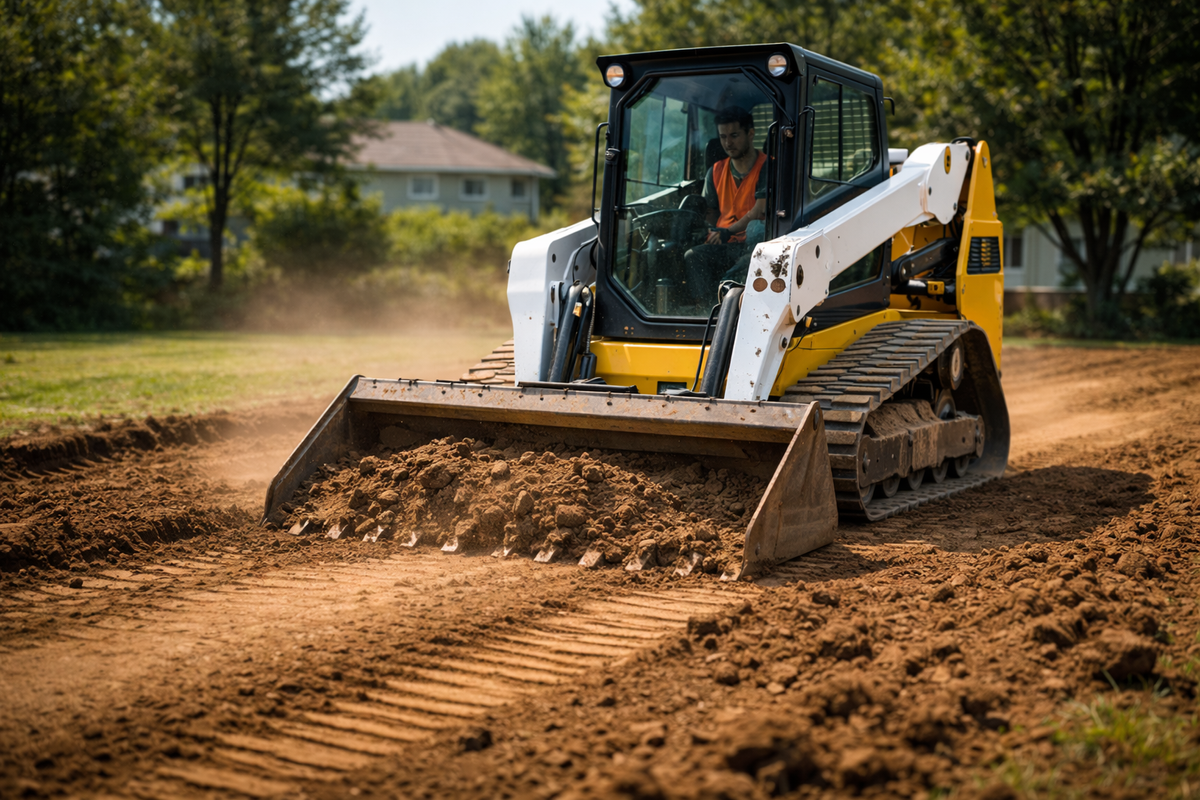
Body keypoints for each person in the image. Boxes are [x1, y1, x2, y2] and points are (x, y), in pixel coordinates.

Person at [684, 106, 769, 294]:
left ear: (751, 134)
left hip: (755, 245)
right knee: (693, 255)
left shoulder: (768, 166)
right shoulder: (715, 171)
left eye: (734, 135)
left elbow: (759, 211)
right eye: (723, 137)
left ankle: (728, 301)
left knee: (751, 261)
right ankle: (707, 312)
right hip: (725, 244)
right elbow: (711, 211)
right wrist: (712, 232)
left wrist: (726, 231)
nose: (728, 143)